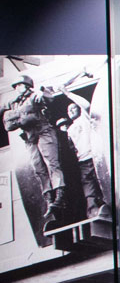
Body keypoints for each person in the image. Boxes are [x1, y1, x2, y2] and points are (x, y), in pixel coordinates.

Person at [1, 74, 68, 232]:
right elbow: (8, 124)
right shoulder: (15, 103)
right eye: (15, 86)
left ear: (26, 85)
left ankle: (60, 196)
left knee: (52, 163)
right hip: (30, 137)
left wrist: (21, 115)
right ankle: (49, 199)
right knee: (38, 168)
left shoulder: (35, 95)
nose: (17, 88)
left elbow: (47, 99)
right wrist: (22, 117)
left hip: (44, 131)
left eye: (19, 85)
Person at [55, 88, 113, 222]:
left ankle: (111, 206)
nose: (71, 111)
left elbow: (86, 105)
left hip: (95, 157)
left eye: (73, 108)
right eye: (69, 110)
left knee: (103, 181)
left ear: (78, 109)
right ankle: (92, 211)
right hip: (82, 161)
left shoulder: (85, 119)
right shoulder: (69, 130)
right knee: (89, 186)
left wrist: (68, 93)